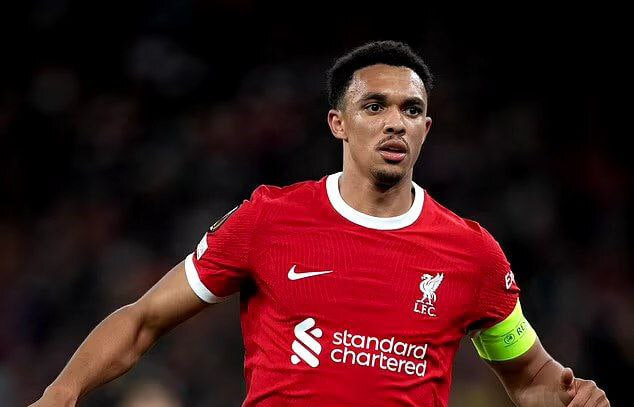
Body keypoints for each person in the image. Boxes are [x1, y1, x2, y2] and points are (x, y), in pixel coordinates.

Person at [29, 41, 610, 407]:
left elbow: (530, 376)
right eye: (375, 106)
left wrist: (571, 396)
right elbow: (142, 321)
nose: (395, 123)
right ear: (338, 123)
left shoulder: (473, 254)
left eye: (411, 110)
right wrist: (61, 393)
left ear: (426, 129)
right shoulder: (269, 220)